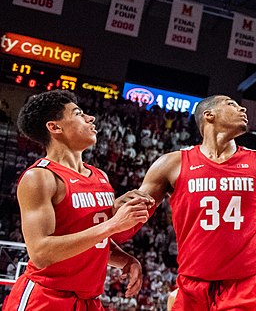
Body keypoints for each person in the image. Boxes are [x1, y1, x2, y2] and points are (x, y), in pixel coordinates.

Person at [131, 95, 256, 310]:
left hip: (246, 282)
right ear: (209, 115)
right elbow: (131, 213)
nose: (242, 108)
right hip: (193, 281)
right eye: (231, 104)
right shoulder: (172, 163)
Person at [2, 90, 151, 311]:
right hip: (45, 298)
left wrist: (125, 260)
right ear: (54, 127)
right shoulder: (41, 177)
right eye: (79, 114)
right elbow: (41, 253)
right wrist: (113, 224)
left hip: (89, 301)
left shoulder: (100, 176)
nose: (90, 118)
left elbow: (93, 242)